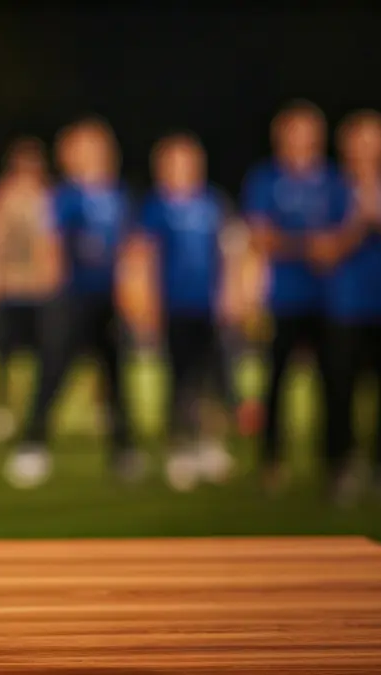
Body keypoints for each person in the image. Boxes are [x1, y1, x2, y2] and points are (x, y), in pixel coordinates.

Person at [5, 118, 138, 489]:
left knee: (115, 375)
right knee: (53, 371)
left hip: (106, 298)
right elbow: (52, 245)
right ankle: (33, 444)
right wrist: (55, 293)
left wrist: (131, 294)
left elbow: (129, 248)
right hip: (70, 297)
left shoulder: (118, 195)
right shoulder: (65, 196)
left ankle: (124, 449)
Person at [309, 110, 381, 503]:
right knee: (340, 390)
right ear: (346, 147)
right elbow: (322, 252)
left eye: (376, 142)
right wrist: (358, 221)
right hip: (345, 309)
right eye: (361, 142)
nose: (369, 151)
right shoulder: (330, 191)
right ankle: (341, 467)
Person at [243, 101, 340, 493]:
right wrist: (309, 247)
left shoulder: (334, 180)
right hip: (283, 298)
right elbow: (261, 237)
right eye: (293, 131)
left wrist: (325, 247)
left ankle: (334, 462)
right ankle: (271, 461)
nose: (300, 140)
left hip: (330, 300)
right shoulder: (265, 179)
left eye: (307, 131)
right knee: (276, 381)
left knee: (334, 383)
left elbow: (342, 240)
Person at [138, 133, 236, 492]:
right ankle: (179, 448)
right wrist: (147, 302)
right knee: (178, 381)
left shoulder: (213, 203)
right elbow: (145, 256)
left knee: (212, 379)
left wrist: (230, 296)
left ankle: (211, 446)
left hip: (208, 307)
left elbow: (229, 252)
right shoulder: (156, 206)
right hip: (173, 307)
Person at [0, 137, 57, 443]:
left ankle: (32, 409)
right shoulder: (1, 197)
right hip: (9, 287)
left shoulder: (50, 197)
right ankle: (1, 409)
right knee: (3, 352)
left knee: (43, 353)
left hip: (40, 289)